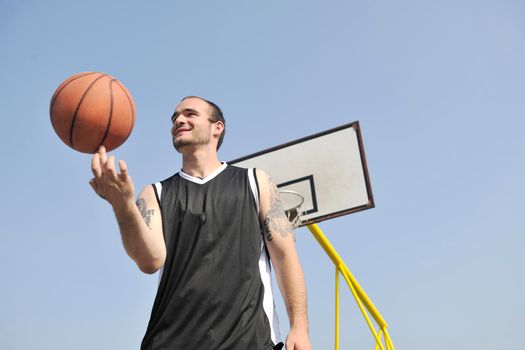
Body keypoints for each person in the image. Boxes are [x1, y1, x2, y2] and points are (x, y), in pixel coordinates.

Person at [89, 96, 312, 350]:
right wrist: (123, 205)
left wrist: (300, 327)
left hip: (248, 341)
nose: (179, 120)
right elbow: (150, 261)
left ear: (217, 127)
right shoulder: (155, 193)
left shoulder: (255, 182)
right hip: (171, 342)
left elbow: (285, 257)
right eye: (174, 118)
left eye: (190, 114)